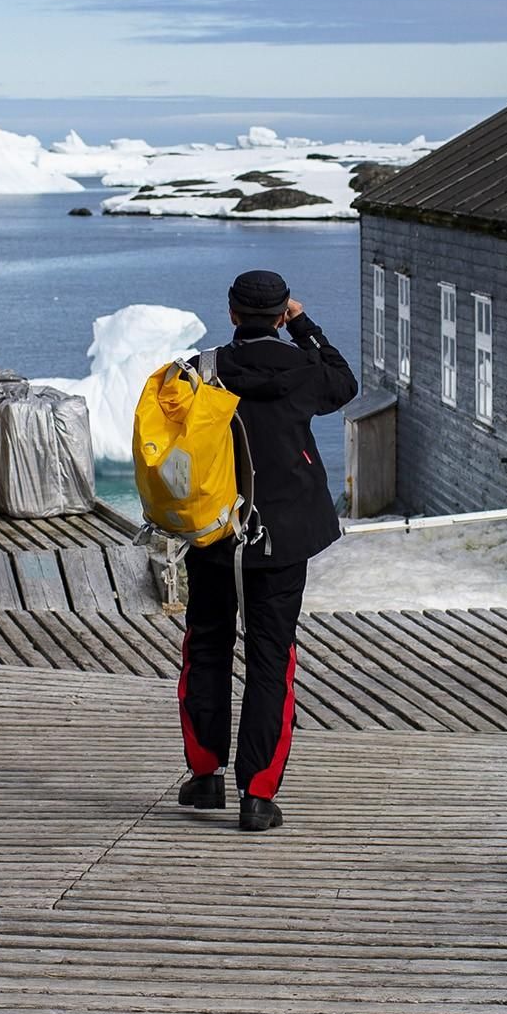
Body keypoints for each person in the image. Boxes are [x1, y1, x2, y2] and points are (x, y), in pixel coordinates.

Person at [175, 268, 357, 832]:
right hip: (280, 536)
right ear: (279, 315)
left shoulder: (200, 371)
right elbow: (344, 382)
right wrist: (303, 327)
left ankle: (205, 777)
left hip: (213, 530)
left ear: (230, 313)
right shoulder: (304, 369)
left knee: (206, 645)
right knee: (271, 658)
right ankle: (257, 795)